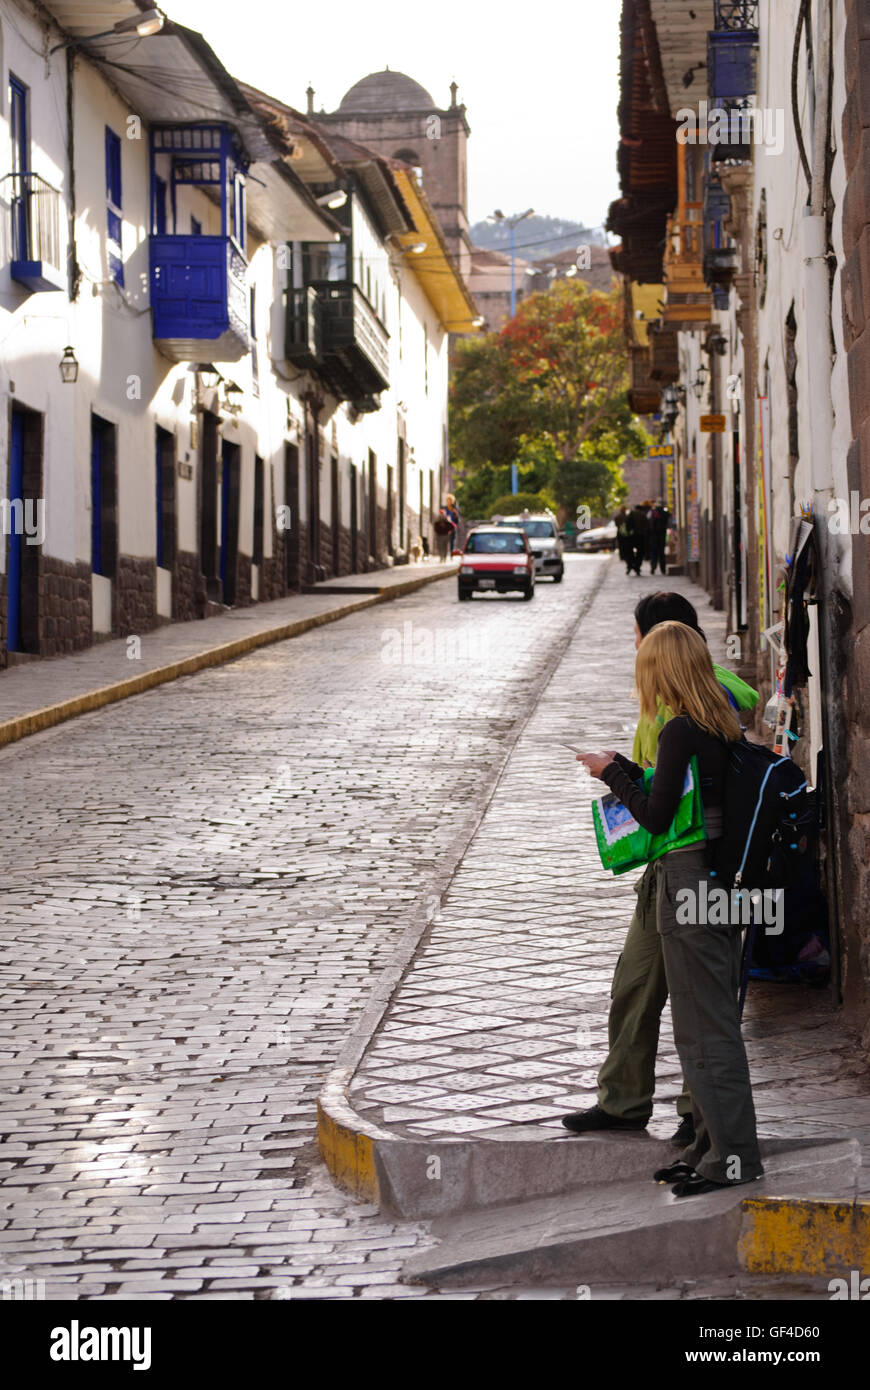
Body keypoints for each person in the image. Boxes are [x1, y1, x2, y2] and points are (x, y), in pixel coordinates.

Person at [573, 622, 764, 1197]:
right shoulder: (720, 722)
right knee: (701, 1026)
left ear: (661, 671)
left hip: (688, 883)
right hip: (718, 882)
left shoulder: (680, 727)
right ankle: (709, 1150)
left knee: (706, 1031)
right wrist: (627, 771)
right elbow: (678, 797)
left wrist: (610, 774)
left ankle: (734, 1160)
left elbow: (656, 819)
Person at [646, 499, 670, 576]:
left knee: (653, 552)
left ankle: (653, 567)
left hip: (653, 536)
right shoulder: (665, 513)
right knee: (661, 553)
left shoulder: (652, 513)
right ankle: (663, 569)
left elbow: (648, 524)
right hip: (662, 535)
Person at [613, 505, 636, 575]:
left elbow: (617, 525)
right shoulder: (628, 517)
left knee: (623, 548)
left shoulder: (617, 517)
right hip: (628, 536)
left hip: (621, 535)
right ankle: (631, 564)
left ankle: (626, 560)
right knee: (629, 550)